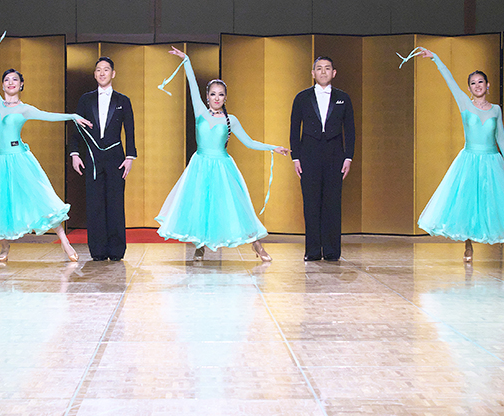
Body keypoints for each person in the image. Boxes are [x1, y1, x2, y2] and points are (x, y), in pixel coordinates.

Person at [0, 34, 92, 262]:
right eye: (7, 80)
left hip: (19, 159)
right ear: (2, 85)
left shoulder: (25, 109)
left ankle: (65, 242)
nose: (10, 82)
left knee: (42, 199)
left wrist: (73, 116)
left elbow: (49, 116)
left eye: (15, 79)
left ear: (21, 84)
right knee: (0, 205)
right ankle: (4, 246)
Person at [156, 47, 289, 260]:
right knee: (200, 206)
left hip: (222, 167)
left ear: (225, 98)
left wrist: (272, 147)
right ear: (207, 96)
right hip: (200, 165)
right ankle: (200, 245)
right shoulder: (200, 111)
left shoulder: (231, 120)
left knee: (236, 207)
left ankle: (257, 245)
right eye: (212, 94)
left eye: (220, 94)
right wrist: (186, 60)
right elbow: (192, 85)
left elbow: (249, 142)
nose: (216, 98)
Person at [412, 47, 504, 262]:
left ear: (488, 85)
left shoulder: (496, 109)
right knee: (468, 202)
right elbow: (450, 81)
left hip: (491, 160)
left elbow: (500, 135)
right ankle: (468, 246)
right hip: (469, 159)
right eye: (473, 83)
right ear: (469, 88)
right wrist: (436, 58)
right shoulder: (465, 103)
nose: (477, 85)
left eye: (481, 82)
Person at [70, 56, 136, 261]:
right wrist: (74, 153)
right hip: (92, 157)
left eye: (106, 69)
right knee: (95, 203)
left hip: (116, 158)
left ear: (113, 73)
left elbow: (130, 130)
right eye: (98, 69)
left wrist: (130, 157)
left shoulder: (123, 100)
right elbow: (77, 128)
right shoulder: (85, 99)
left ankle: (116, 250)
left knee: (115, 203)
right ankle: (98, 250)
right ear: (94, 74)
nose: (102, 73)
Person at [290, 56, 355, 261]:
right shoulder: (302, 97)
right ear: (313, 73)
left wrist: (349, 157)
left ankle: (332, 250)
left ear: (334, 73)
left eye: (327, 68)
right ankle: (312, 251)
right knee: (311, 203)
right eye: (319, 68)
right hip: (309, 155)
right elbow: (294, 129)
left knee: (332, 203)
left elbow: (350, 130)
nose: (323, 72)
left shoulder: (343, 98)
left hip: (335, 155)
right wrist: (295, 157)